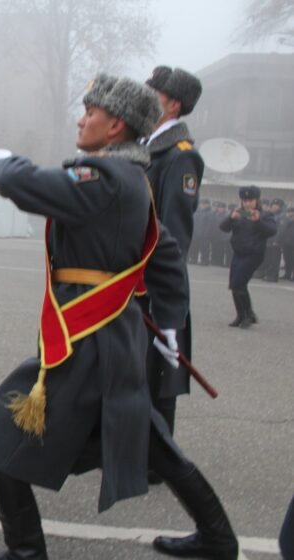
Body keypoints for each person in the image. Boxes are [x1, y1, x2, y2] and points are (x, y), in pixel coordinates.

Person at [0, 74, 238, 560]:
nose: (81, 119)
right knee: (151, 442)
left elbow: (38, 188)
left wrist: (4, 167)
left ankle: (26, 553)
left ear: (115, 126)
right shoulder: (133, 180)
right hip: (115, 335)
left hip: (88, 341)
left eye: (89, 112)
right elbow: (166, 255)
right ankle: (219, 538)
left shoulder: (106, 177)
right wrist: (169, 324)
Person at [141, 66, 204, 448]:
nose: (148, 95)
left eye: (155, 92)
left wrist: (160, 285)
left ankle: (158, 458)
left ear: (173, 103)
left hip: (155, 280)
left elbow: (175, 233)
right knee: (136, 368)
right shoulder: (148, 146)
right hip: (133, 276)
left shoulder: (180, 156)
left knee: (158, 373)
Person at [219, 186, 277, 328]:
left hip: (253, 254)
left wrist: (258, 221)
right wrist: (230, 218)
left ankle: (248, 315)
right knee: (234, 285)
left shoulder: (265, 215)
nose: (247, 204)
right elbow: (223, 227)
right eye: (245, 201)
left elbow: (272, 231)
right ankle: (241, 315)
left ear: (257, 200)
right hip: (239, 253)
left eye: (250, 200)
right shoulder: (238, 213)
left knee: (239, 283)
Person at [262, 198, 286, 282]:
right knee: (269, 258)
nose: (275, 207)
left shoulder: (282, 216)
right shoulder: (272, 215)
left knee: (275, 259)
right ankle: (268, 273)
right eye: (274, 205)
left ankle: (274, 276)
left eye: (277, 206)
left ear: (281, 207)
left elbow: (281, 230)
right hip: (269, 239)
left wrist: (277, 240)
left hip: (276, 241)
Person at [190, 199, 213, 265]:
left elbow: (209, 224)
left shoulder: (210, 213)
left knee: (204, 249)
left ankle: (205, 261)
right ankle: (193, 259)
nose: (202, 205)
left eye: (204, 204)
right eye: (202, 204)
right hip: (196, 234)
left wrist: (206, 233)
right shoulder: (198, 211)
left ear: (208, 205)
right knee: (194, 247)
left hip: (204, 235)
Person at [281, 206, 294, 281]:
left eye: (291, 212)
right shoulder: (286, 221)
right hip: (286, 243)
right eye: (289, 212)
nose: (290, 213)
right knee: (287, 259)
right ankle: (287, 274)